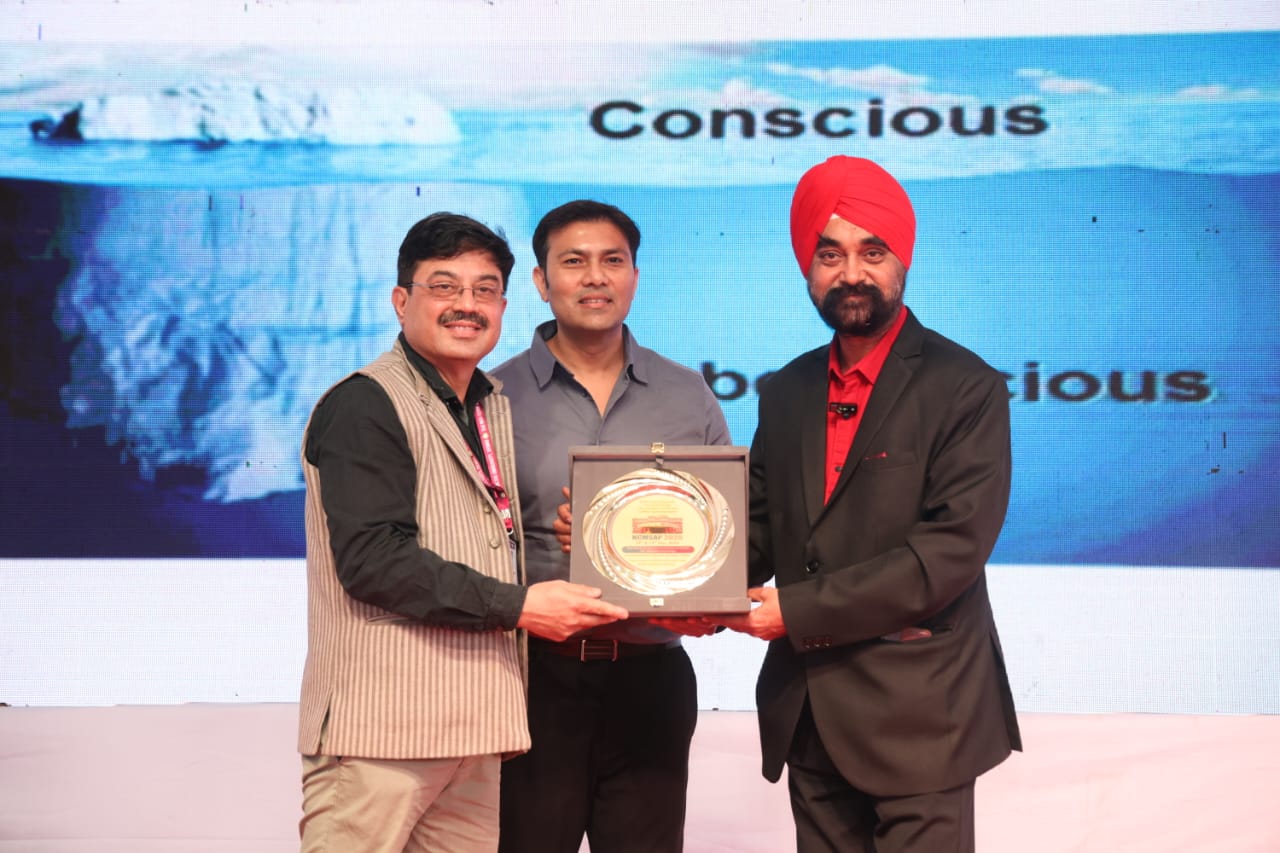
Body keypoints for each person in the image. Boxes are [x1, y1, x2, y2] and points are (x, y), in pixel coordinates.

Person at [297, 212, 628, 853]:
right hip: (381, 736)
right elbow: (373, 560)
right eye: (444, 287)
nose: (466, 305)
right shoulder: (366, 404)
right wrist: (521, 604)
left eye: (484, 290)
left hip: (472, 730)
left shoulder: (486, 403)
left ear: (503, 305)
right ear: (401, 301)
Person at [720, 156, 1021, 853]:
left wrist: (795, 611)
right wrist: (653, 561)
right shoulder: (787, 390)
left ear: (902, 260)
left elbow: (946, 556)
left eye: (871, 252)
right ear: (807, 267)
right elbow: (760, 531)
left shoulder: (965, 386)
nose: (851, 273)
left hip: (921, 716)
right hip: (810, 712)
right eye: (830, 254)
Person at [491, 200, 731, 853]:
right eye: (574, 261)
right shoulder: (490, 397)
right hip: (532, 681)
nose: (595, 277)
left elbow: (724, 535)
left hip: (651, 679)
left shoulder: (687, 393)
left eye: (613, 261)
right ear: (541, 281)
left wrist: (690, 593)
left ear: (634, 276)